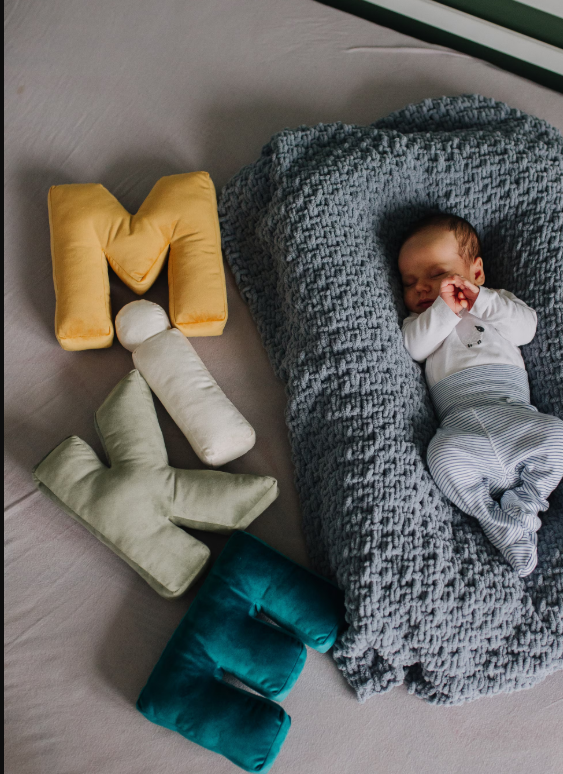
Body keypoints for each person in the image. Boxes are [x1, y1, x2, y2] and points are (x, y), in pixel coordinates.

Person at [399, 213, 563, 577]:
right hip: (461, 429)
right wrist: (447, 304)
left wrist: (481, 301)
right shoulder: (419, 323)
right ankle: (493, 518)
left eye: (437, 275)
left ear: (476, 273)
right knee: (439, 456)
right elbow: (414, 347)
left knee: (556, 435)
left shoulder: (496, 304)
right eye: (409, 282)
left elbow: (527, 329)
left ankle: (524, 505)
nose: (422, 288)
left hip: (514, 417)